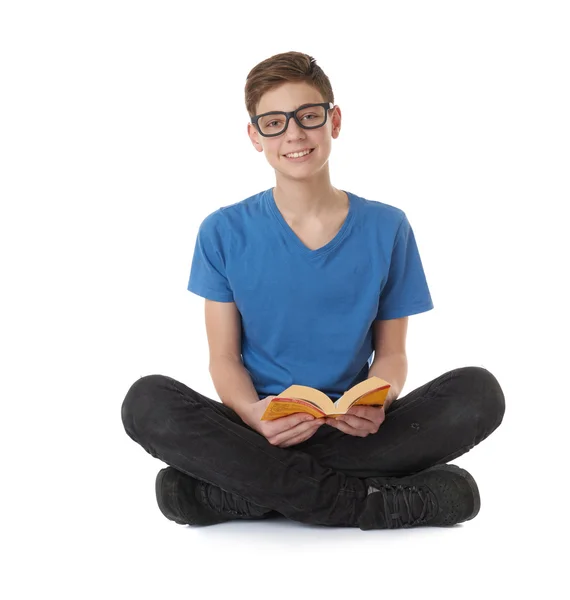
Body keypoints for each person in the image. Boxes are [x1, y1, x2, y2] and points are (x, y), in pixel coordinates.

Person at [121, 51, 505, 530]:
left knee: (478, 392)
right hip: (259, 432)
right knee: (146, 401)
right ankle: (367, 503)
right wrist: (255, 414)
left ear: (333, 120)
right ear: (255, 136)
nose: (294, 135)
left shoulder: (388, 227)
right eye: (275, 123)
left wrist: (378, 400)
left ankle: (232, 494)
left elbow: (392, 355)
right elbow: (224, 359)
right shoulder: (222, 231)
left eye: (308, 116)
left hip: (352, 430)